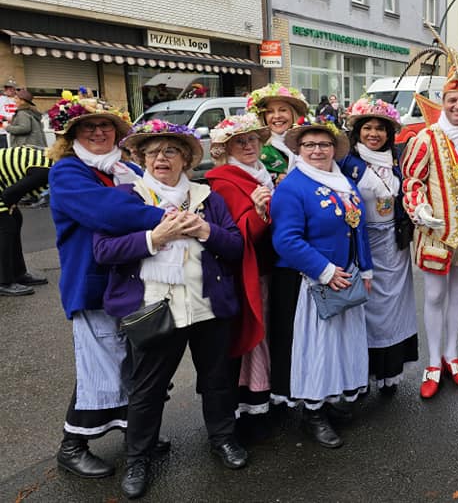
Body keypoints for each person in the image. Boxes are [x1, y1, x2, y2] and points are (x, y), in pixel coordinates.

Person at [92, 121, 246, 498]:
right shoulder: (127, 197)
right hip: (153, 309)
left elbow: (236, 247)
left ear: (186, 159)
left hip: (208, 304)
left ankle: (223, 439)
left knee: (217, 380)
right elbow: (103, 251)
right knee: (147, 389)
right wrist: (152, 238)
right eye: (154, 152)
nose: (162, 158)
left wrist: (204, 231)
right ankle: (138, 458)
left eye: (172, 151)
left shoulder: (208, 197)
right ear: (141, 158)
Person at [45, 92, 167, 480]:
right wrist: (164, 216)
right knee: (99, 368)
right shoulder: (68, 172)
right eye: (89, 127)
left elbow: (157, 190)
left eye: (105, 126)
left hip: (133, 280)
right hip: (94, 282)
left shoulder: (125, 168)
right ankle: (72, 446)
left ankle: (138, 436)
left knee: (134, 363)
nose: (99, 132)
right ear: (73, 135)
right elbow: (109, 212)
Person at [270, 121, 373, 449]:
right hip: (313, 283)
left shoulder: (341, 182)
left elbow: (359, 227)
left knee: (338, 345)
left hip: (347, 276)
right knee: (317, 349)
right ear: (299, 150)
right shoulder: (293, 187)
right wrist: (326, 271)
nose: (317, 150)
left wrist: (365, 271)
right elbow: (285, 240)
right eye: (310, 145)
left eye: (323, 145)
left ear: (334, 149)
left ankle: (329, 401)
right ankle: (313, 412)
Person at [401, 37, 458, 399]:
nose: (457, 105)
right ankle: (433, 361)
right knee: (435, 296)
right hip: (435, 234)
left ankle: (453, 355)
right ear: (443, 104)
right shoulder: (427, 138)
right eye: (451, 100)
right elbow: (412, 180)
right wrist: (418, 208)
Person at [340, 98, 418, 393]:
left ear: (389, 133)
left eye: (380, 129)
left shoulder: (398, 161)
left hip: (395, 244)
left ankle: (390, 371)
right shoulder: (346, 163)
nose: (374, 134)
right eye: (368, 128)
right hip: (363, 244)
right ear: (357, 132)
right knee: (366, 306)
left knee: (395, 307)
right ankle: (366, 371)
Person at [205, 113, 276, 437]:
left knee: (266, 335)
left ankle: (265, 400)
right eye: (240, 141)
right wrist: (259, 212)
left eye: (252, 140)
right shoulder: (222, 180)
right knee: (250, 338)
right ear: (227, 148)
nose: (248, 146)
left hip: (269, 267)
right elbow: (236, 232)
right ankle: (251, 408)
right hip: (245, 270)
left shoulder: (263, 174)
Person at [0, 146, 52, 295]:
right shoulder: (46, 171)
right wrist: (10, 206)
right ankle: (4, 281)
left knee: (15, 218)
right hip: (4, 190)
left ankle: (17, 273)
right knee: (6, 225)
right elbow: (9, 195)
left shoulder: (55, 162)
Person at [246, 83, 310, 183]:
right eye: (270, 112)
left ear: (293, 114)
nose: (277, 116)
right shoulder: (256, 147)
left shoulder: (308, 141)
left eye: (283, 110)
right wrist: (275, 178)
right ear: (264, 117)